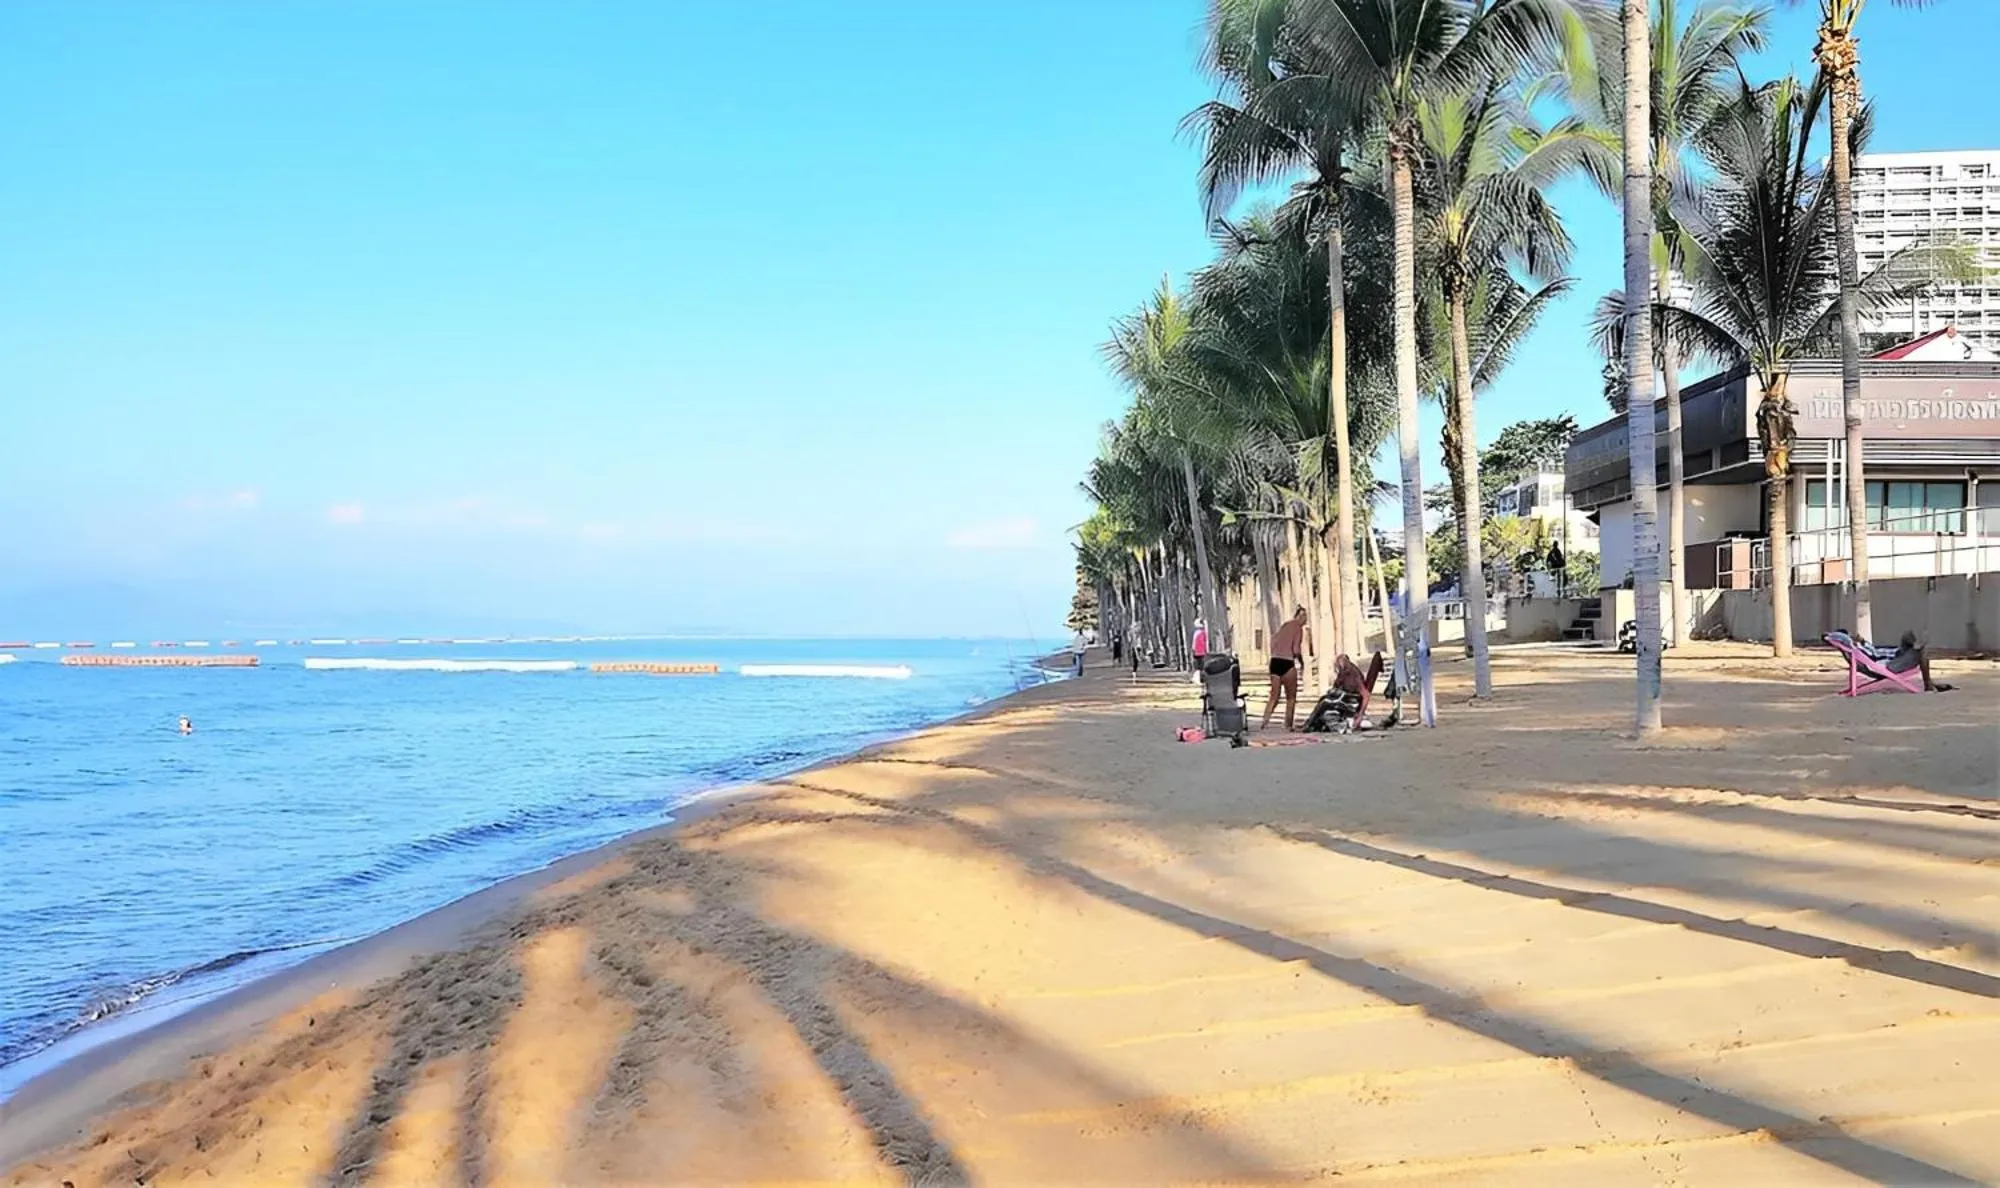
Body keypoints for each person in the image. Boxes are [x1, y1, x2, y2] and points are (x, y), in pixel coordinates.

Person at [1261, 606, 1312, 731]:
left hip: (1275, 661)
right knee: (1291, 697)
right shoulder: (1298, 629)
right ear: (1299, 617)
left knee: (1274, 696)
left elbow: (1273, 641)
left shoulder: (1285, 626)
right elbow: (1296, 649)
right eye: (1304, 616)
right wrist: (1301, 661)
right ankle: (1288, 724)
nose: (1305, 619)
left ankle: (1265, 721)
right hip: (1287, 662)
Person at [1887, 630, 1954, 692]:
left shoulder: (1910, 652)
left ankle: (1929, 683)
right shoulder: (1915, 652)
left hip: (1895, 663)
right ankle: (1928, 684)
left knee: (1921, 651)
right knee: (1922, 652)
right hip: (1893, 666)